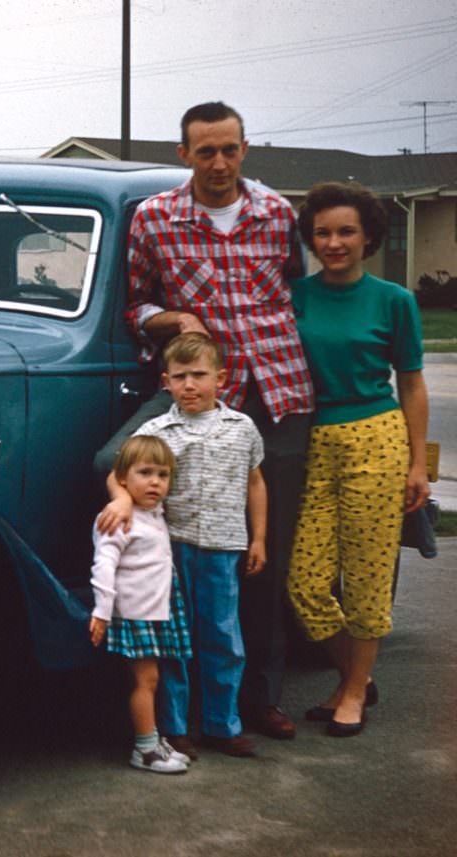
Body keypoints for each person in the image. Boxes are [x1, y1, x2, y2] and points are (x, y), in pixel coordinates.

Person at [95, 101, 312, 741]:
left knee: (262, 556)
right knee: (126, 478)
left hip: (275, 394)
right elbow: (135, 307)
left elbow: (296, 291)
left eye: (230, 150)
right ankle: (169, 699)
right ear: (184, 154)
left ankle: (259, 700)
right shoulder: (155, 218)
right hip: (194, 392)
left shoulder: (276, 214)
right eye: (205, 151)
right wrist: (174, 321)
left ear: (245, 150)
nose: (219, 163)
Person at [286, 181, 429, 737]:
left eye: (346, 231)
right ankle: (357, 677)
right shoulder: (297, 294)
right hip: (312, 440)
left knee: (367, 575)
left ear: (368, 235)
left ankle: (350, 693)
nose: (334, 242)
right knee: (305, 583)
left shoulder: (395, 300)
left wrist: (418, 465)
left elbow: (412, 386)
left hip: (376, 438)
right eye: (322, 232)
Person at [101, 333, 267, 758]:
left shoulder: (241, 428)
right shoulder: (157, 430)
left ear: (221, 378)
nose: (189, 385)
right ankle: (174, 727)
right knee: (174, 640)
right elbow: (117, 470)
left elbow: (255, 482)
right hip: (169, 550)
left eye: (199, 375)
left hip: (224, 544)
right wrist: (121, 498)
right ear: (166, 382)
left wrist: (260, 537)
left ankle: (222, 724)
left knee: (223, 637)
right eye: (180, 377)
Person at [89, 434, 192, 774]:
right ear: (122, 480)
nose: (155, 482)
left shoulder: (154, 512)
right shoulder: (119, 518)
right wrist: (102, 612)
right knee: (145, 681)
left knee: (153, 678)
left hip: (155, 608)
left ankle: (152, 739)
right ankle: (145, 748)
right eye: (145, 473)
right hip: (135, 612)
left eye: (162, 475)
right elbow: (104, 564)